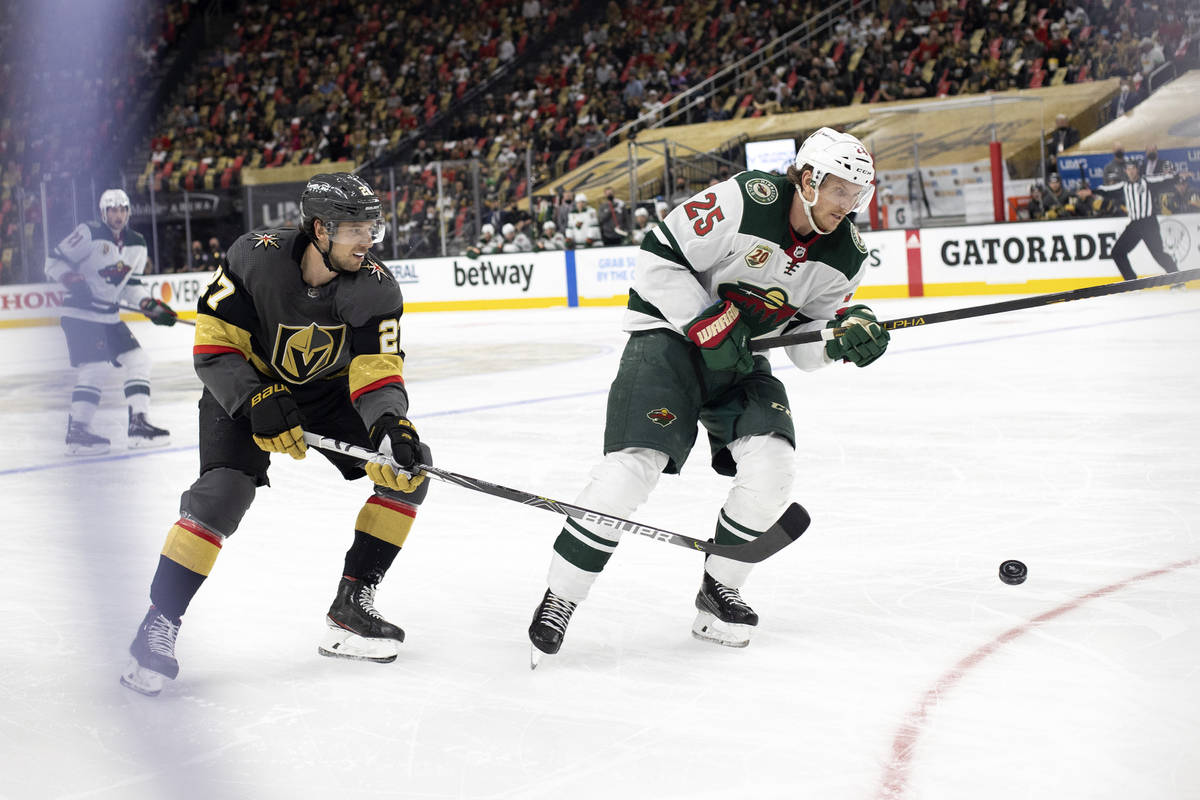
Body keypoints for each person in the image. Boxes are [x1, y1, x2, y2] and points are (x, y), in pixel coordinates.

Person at [527, 128, 890, 660]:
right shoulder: (744, 201)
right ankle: (561, 597)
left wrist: (841, 338)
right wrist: (704, 318)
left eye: (858, 194)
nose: (850, 203)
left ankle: (719, 591)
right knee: (632, 468)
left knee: (774, 465)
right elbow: (658, 256)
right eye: (841, 190)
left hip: (741, 361)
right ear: (808, 180)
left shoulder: (847, 255)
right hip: (668, 341)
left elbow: (804, 347)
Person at [120, 173, 432, 696]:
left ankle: (351, 606)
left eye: (371, 227)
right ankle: (159, 621)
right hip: (246, 386)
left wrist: (389, 423)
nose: (368, 240)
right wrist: (255, 398)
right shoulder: (254, 256)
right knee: (222, 496)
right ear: (319, 229)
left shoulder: (377, 286)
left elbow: (378, 370)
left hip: (328, 395)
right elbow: (214, 347)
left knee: (405, 472)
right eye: (355, 228)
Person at [44, 188, 177, 456]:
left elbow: (132, 287)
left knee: (139, 360)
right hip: (80, 315)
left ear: (128, 212)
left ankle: (138, 425)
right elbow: (52, 263)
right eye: (112, 210)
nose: (118, 215)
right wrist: (72, 280)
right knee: (95, 368)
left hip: (108, 317)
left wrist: (149, 305)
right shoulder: (88, 233)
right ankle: (78, 431)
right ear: (103, 213)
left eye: (123, 210)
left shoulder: (137, 243)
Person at [1077, 161, 1185, 281]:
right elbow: (1107, 190)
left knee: (1158, 254)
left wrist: (1178, 176)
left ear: (1137, 169)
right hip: (1135, 225)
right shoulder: (1124, 186)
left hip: (1149, 223)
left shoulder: (1147, 181)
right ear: (1125, 171)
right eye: (1128, 169)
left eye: (1133, 168)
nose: (1131, 171)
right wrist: (1091, 192)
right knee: (1117, 252)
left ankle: (1178, 281)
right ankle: (1132, 283)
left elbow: (1164, 180)